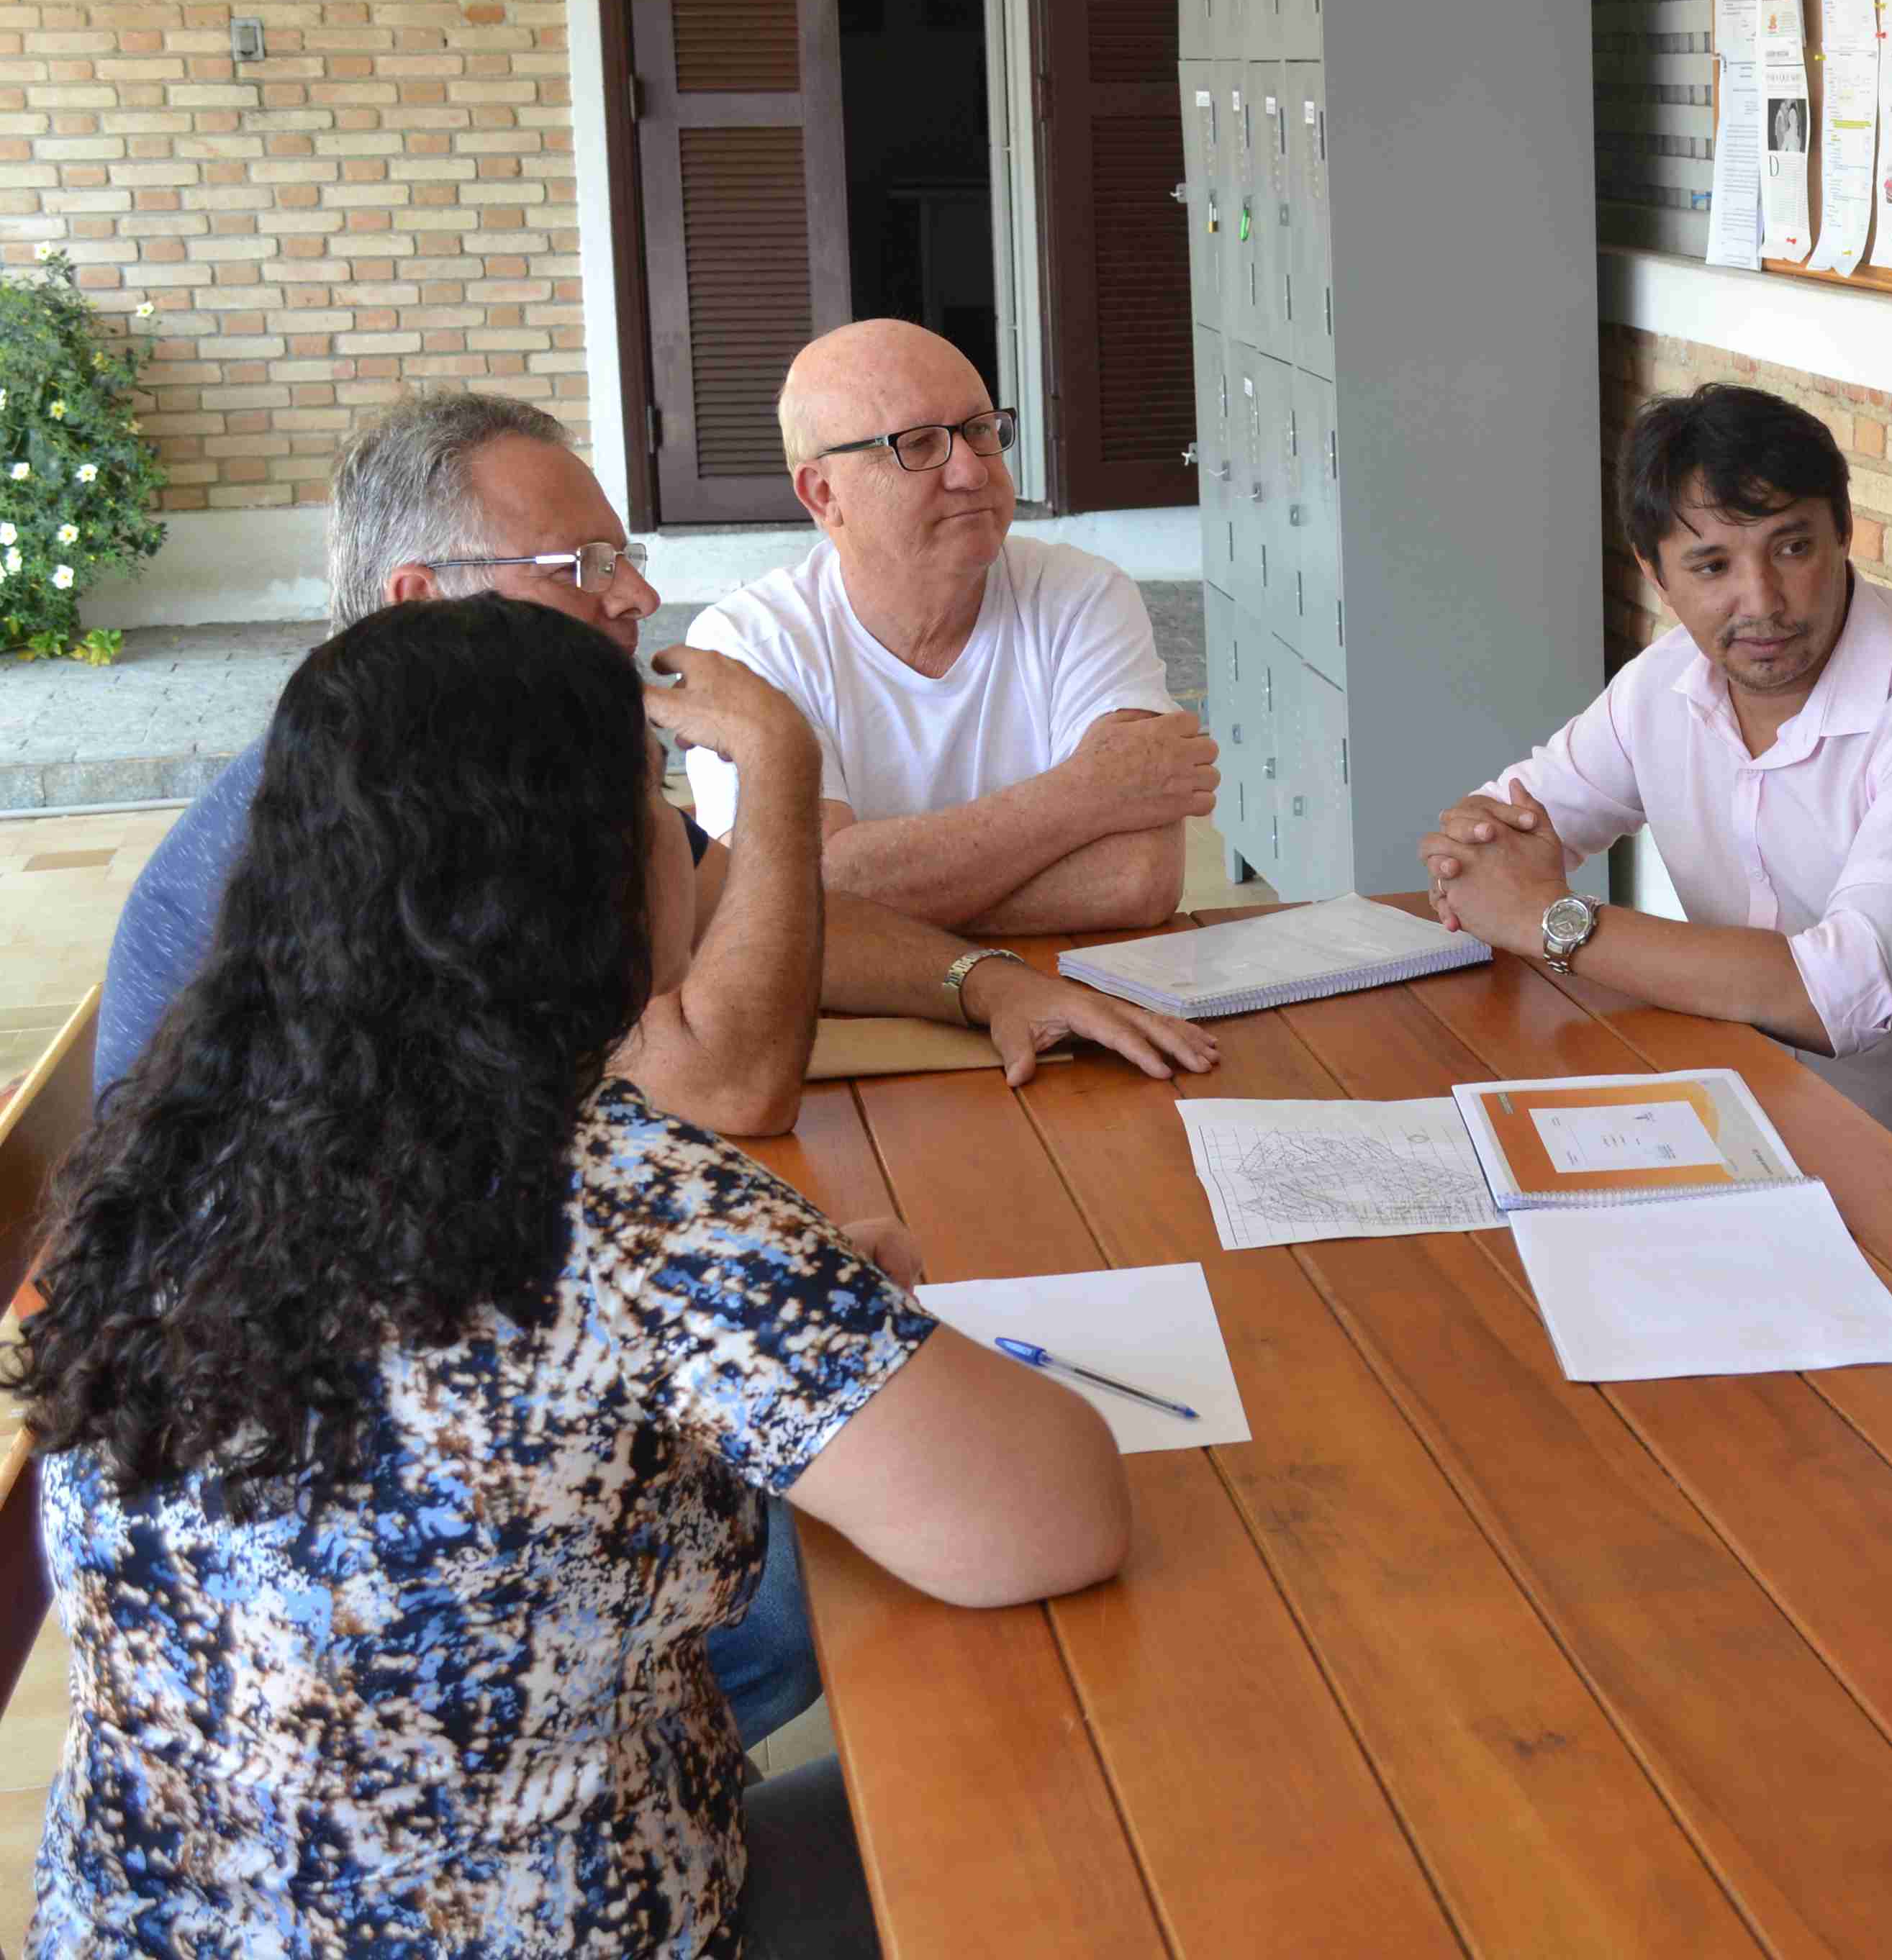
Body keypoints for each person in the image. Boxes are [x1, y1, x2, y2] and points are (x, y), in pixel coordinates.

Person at [92, 387, 1212, 1754]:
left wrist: (973, 978)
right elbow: (1053, 1513)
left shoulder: (360, 844)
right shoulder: (617, 1205)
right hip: (513, 1839)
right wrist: (766, 1293)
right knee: (979, 1720)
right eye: (583, 568)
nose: (636, 592)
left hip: (226, 1824)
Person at [14, 597, 1136, 1958]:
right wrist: (842, 1318)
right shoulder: (615, 1204)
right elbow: (1052, 1517)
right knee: (1063, 1824)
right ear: (585, 867)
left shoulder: (175, 1138)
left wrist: (804, 1312)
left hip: (163, 1918)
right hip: (534, 1924)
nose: (679, 838)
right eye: (658, 798)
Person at [1420, 383, 1892, 1191]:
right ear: (1656, 574)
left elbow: (1848, 996)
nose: (1762, 601)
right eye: (1712, 565)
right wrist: (1474, 858)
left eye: (1793, 548)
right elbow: (1513, 830)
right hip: (1756, 1118)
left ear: (1844, 533)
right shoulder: (1660, 684)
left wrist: (1547, 918)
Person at [684, 319, 1216, 933]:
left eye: (981, 431)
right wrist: (1092, 790)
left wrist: (870, 899)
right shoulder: (744, 647)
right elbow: (791, 896)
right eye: (918, 445)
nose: (973, 471)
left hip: (1059, 989)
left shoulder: (1081, 597)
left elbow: (1137, 879)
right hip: (849, 1019)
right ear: (824, 494)